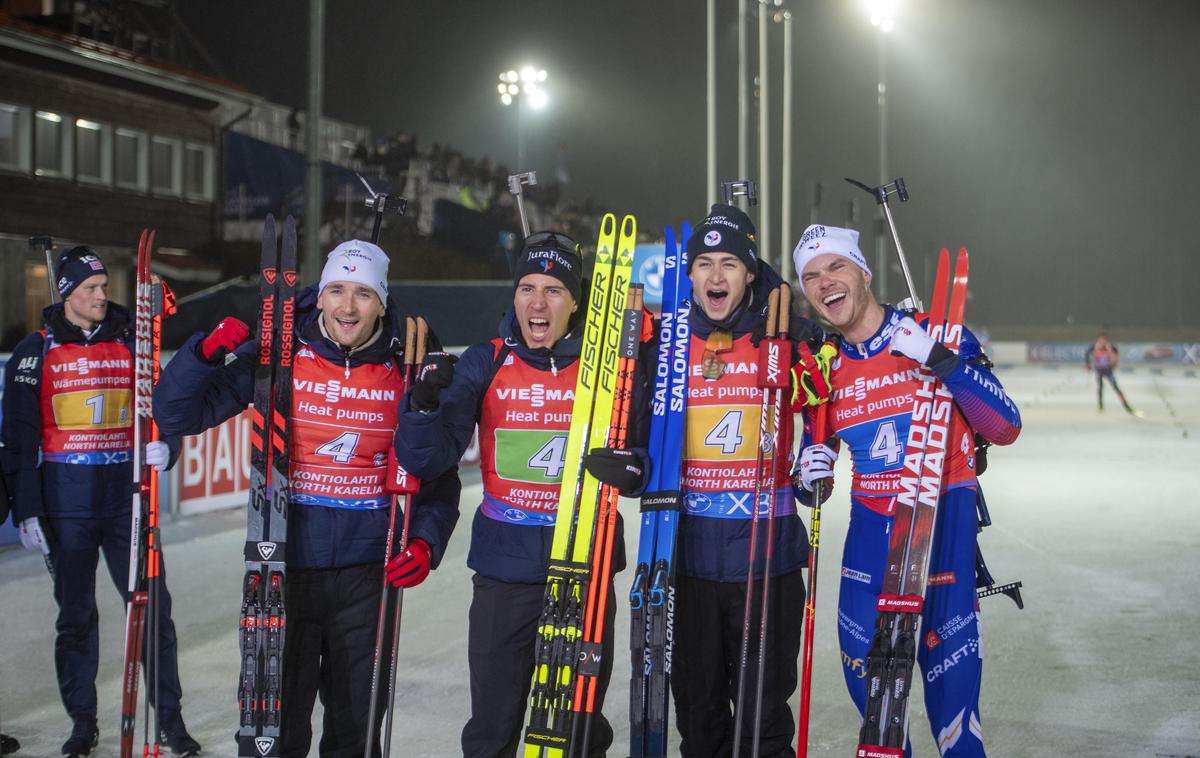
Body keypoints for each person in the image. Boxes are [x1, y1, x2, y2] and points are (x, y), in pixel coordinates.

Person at [153, 239, 460, 758]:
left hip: (369, 576)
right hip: (284, 568)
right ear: (318, 295)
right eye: (337, 289)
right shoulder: (281, 353)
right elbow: (178, 415)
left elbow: (437, 472)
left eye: (363, 294)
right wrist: (203, 355)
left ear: (382, 302)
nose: (347, 306)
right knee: (277, 732)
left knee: (356, 732)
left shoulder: (408, 364)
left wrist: (427, 540)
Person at [393, 231, 649, 758]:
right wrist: (420, 405)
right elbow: (428, 460)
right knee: (492, 724)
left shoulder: (606, 367)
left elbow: (644, 450)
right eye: (527, 287)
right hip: (504, 571)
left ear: (576, 300)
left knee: (578, 726)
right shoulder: (486, 360)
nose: (537, 302)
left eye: (553, 290)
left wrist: (634, 469)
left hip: (586, 565)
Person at [792, 225, 1022, 758]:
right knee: (875, 709)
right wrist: (809, 477)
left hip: (942, 531)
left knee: (956, 714)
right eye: (811, 276)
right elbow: (816, 480)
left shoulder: (935, 332)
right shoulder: (823, 369)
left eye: (836, 267)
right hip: (871, 545)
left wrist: (941, 360)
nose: (825, 282)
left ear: (864, 273)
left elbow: (1004, 426)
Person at [0, 247, 200, 757]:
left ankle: (171, 724)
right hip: (65, 507)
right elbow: (20, 439)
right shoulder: (34, 351)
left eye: (104, 287)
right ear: (66, 293)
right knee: (75, 618)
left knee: (154, 612)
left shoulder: (135, 339)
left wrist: (168, 445)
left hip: (126, 503)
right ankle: (82, 723)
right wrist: (25, 508)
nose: (100, 295)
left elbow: (167, 405)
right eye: (89, 288)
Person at [666, 203, 825, 758]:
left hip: (768, 562)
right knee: (698, 713)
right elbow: (636, 430)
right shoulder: (665, 345)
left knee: (762, 722)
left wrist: (814, 465)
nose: (715, 276)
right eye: (704, 263)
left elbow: (830, 405)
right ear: (688, 274)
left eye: (730, 263)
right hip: (686, 563)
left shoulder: (790, 335)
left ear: (751, 273)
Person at [1084, 332, 1136, 414]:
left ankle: (1126, 406)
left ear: (1106, 340)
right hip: (1099, 371)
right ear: (1098, 339)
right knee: (1100, 388)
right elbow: (1087, 353)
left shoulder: (1110, 346)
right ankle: (1101, 405)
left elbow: (1116, 351)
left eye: (1104, 339)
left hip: (1108, 370)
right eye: (1101, 339)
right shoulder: (1095, 346)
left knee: (1116, 388)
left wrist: (1115, 362)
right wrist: (1088, 365)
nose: (1102, 341)